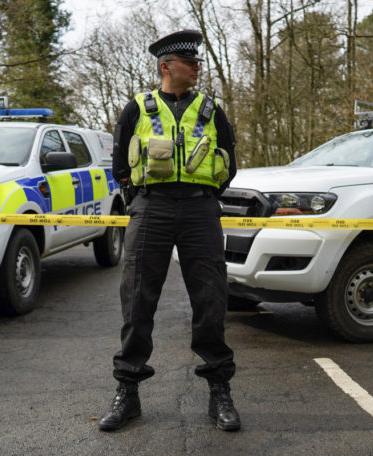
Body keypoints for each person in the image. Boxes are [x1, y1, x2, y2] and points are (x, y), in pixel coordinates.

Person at [98, 29, 240, 432]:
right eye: (190, 62)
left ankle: (220, 393)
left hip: (200, 211)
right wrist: (140, 201)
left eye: (197, 62)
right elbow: (121, 170)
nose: (197, 68)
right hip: (152, 209)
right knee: (137, 302)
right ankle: (128, 393)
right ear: (166, 67)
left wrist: (203, 196)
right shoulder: (137, 109)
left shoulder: (212, 111)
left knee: (211, 299)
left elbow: (229, 162)